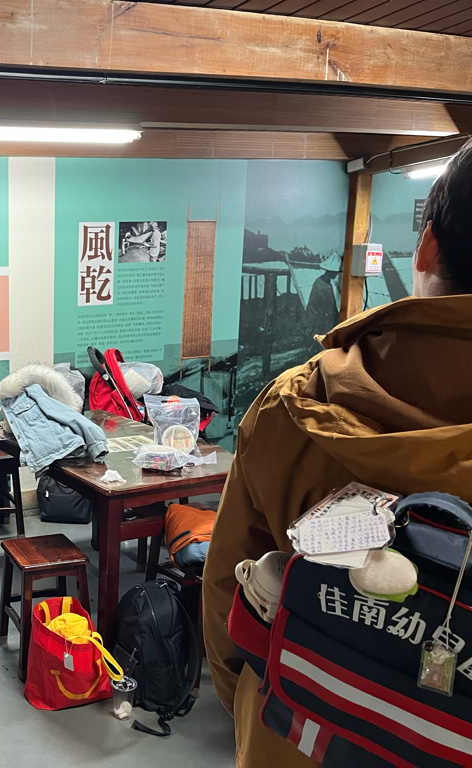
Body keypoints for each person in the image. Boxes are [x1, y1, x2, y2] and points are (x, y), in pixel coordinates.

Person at [202, 140, 472, 768]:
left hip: (293, 731)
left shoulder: (294, 404)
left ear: (426, 247)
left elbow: (228, 590)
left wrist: (253, 712)